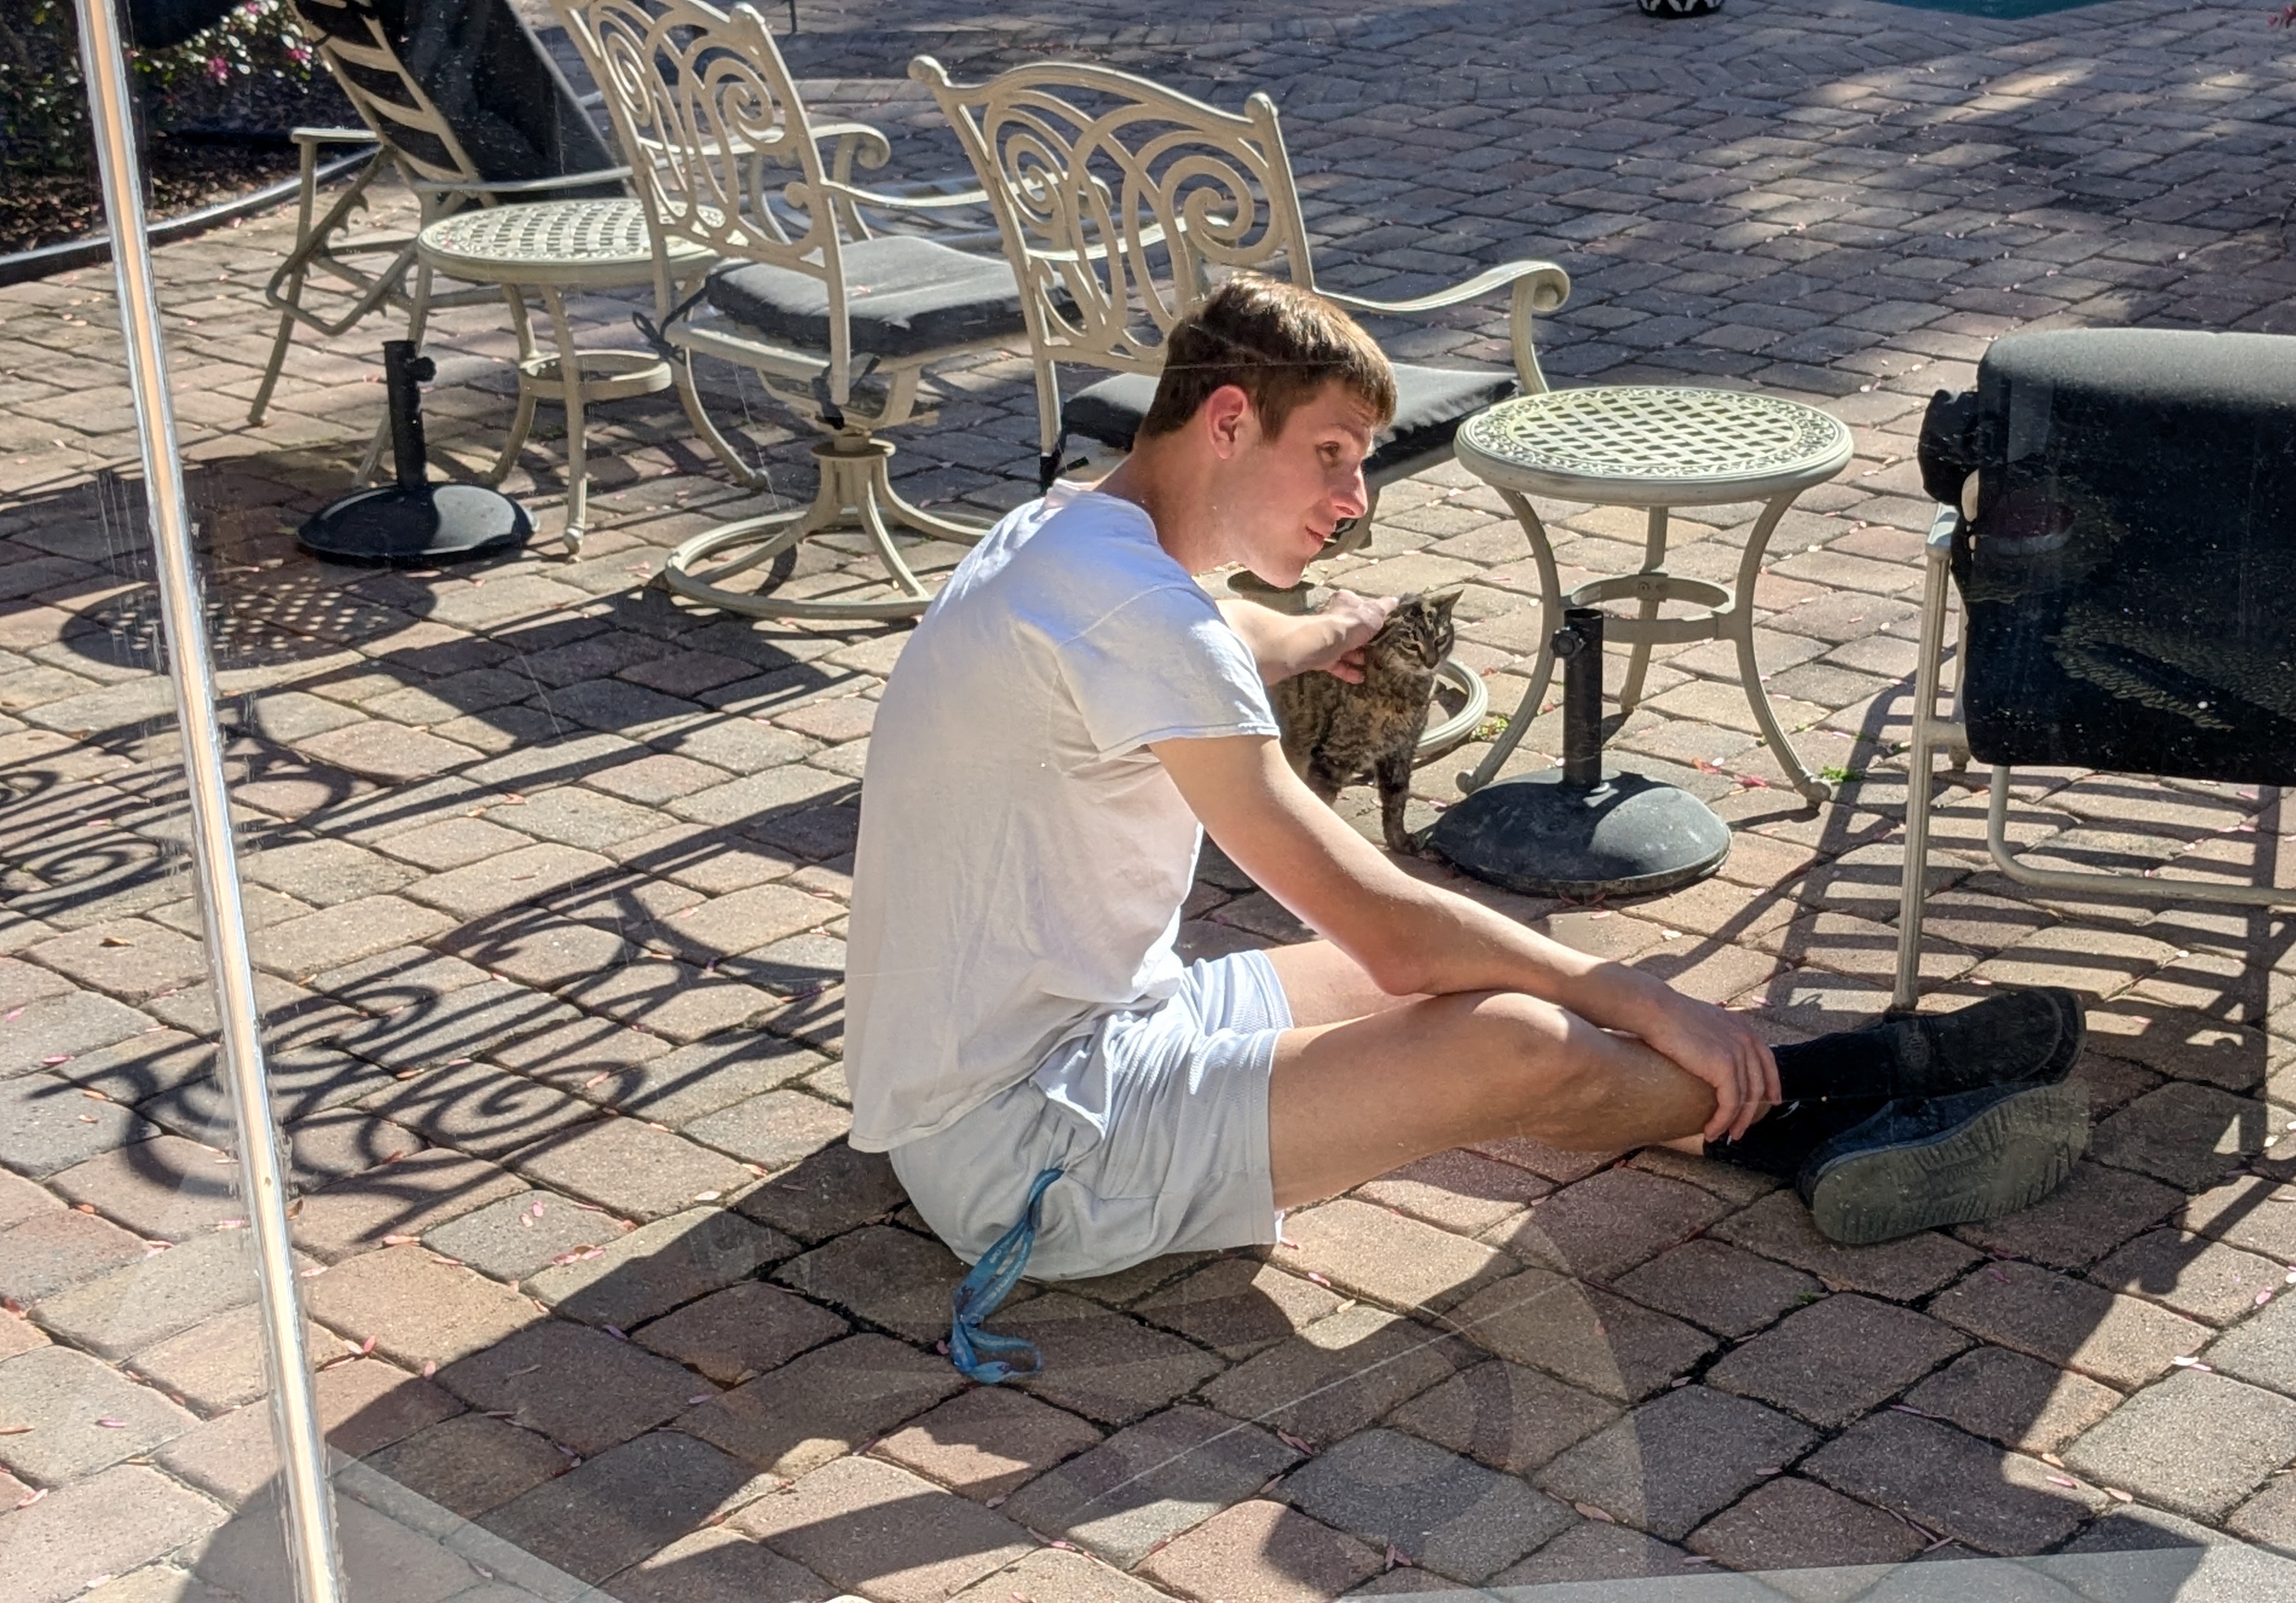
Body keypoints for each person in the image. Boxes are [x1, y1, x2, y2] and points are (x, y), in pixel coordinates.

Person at [844, 276, 2089, 1380]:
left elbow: (1225, 629)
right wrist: (1643, 995)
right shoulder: (1143, 621)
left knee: (1491, 964)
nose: (1353, 499)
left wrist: (1324, 632)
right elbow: (1390, 933)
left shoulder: (1067, 537)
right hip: (1033, 1148)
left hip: (1074, 1038)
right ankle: (1857, 1079)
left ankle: (1800, 1136)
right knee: (1510, 1030)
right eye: (1331, 454)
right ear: (1228, 419)